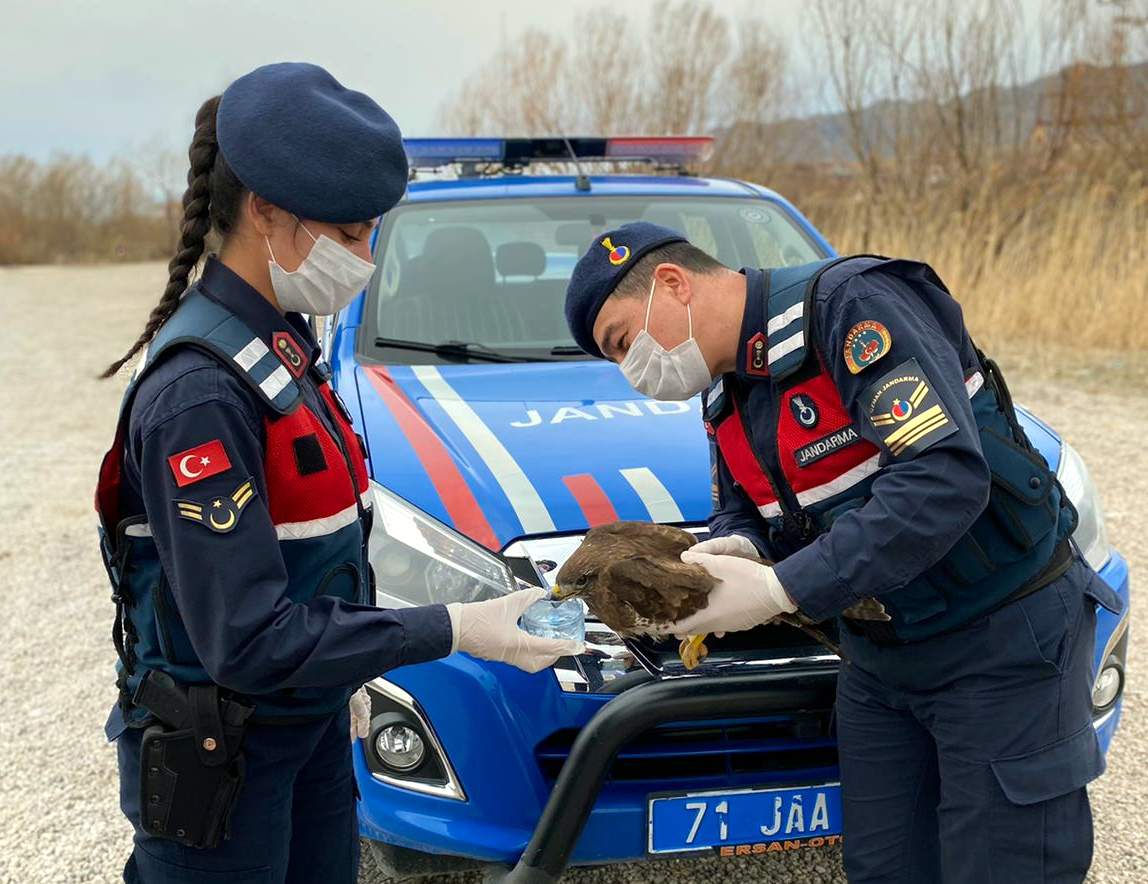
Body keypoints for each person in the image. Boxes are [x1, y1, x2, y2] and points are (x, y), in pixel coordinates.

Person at [94, 62, 579, 884]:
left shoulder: (283, 347)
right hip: (226, 763)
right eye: (350, 235)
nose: (365, 254)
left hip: (305, 725)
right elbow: (246, 638)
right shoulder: (200, 394)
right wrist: (456, 627)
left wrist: (346, 669)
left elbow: (320, 543)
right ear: (267, 213)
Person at [563, 221, 1123, 883]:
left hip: (998, 639)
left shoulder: (850, 310)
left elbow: (942, 476)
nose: (633, 371)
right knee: (883, 868)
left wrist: (780, 589)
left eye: (624, 342)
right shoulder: (724, 390)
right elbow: (754, 504)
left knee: (1004, 863)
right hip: (878, 661)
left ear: (673, 284)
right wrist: (736, 548)